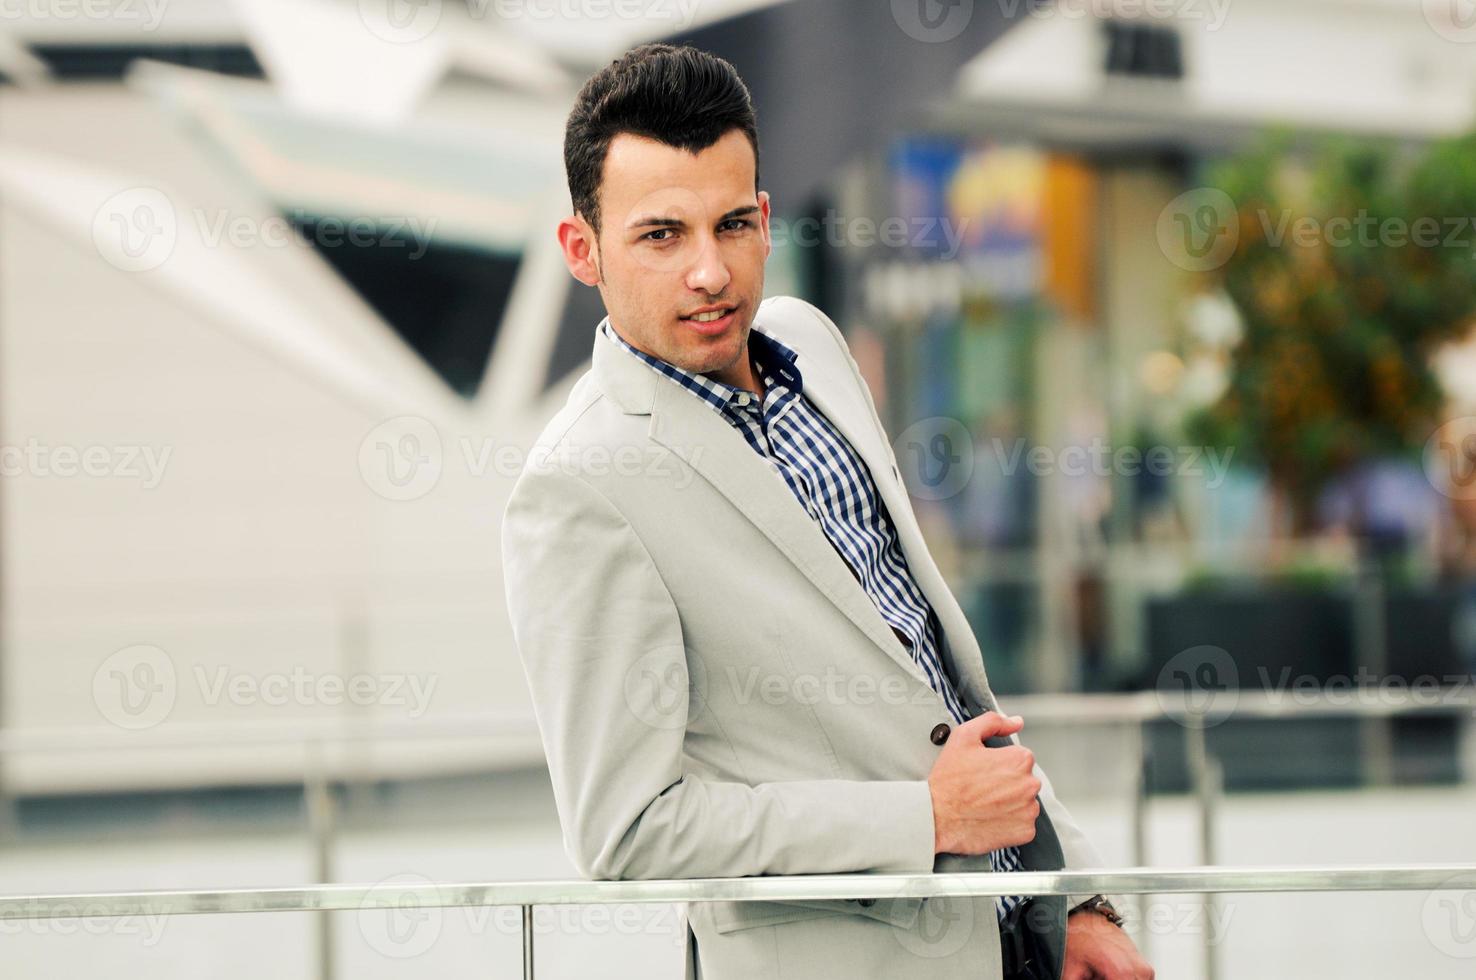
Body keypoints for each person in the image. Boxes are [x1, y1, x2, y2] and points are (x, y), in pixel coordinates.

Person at [501, 42, 1152, 980]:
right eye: (660, 235)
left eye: (730, 224)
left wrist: (1074, 897)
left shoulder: (810, 342)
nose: (709, 272)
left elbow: (931, 672)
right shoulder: (579, 488)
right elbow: (627, 830)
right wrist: (925, 819)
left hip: (1015, 940)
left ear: (767, 220)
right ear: (582, 250)